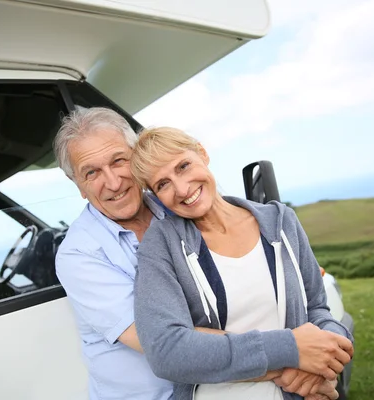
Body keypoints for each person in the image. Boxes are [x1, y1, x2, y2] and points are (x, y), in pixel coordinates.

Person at [130, 127, 355, 400]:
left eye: (183, 166)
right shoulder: (161, 244)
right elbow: (166, 351)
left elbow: (317, 308)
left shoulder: (281, 221)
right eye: (162, 184)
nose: (181, 188)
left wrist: (325, 357)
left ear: (202, 153)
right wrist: (291, 351)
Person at [53, 107, 173, 400]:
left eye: (119, 160)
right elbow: (160, 340)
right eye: (91, 172)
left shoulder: (173, 204)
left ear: (138, 158)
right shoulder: (78, 254)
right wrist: (277, 359)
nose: (113, 182)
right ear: (78, 186)